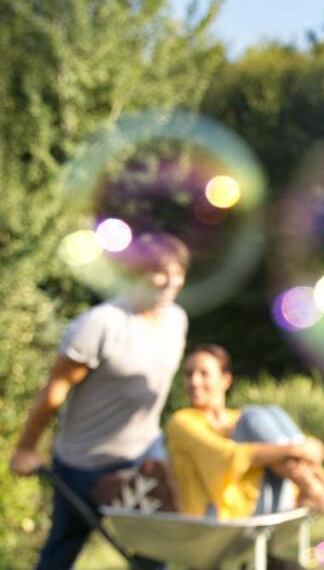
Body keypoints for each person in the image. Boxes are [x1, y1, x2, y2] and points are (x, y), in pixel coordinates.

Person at [8, 232, 191, 570]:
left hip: (141, 457)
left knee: (155, 554)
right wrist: (26, 448)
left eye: (179, 272)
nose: (171, 282)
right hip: (83, 463)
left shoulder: (176, 321)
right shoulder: (101, 324)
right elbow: (55, 390)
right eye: (160, 272)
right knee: (61, 553)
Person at [166, 343, 324, 522]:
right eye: (189, 374)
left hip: (264, 501)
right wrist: (298, 449)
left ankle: (322, 490)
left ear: (225, 380)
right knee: (252, 416)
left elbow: (301, 453)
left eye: (203, 373)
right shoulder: (182, 421)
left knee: (272, 413)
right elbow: (230, 457)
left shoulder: (236, 418)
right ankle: (314, 491)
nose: (194, 381)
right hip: (221, 514)